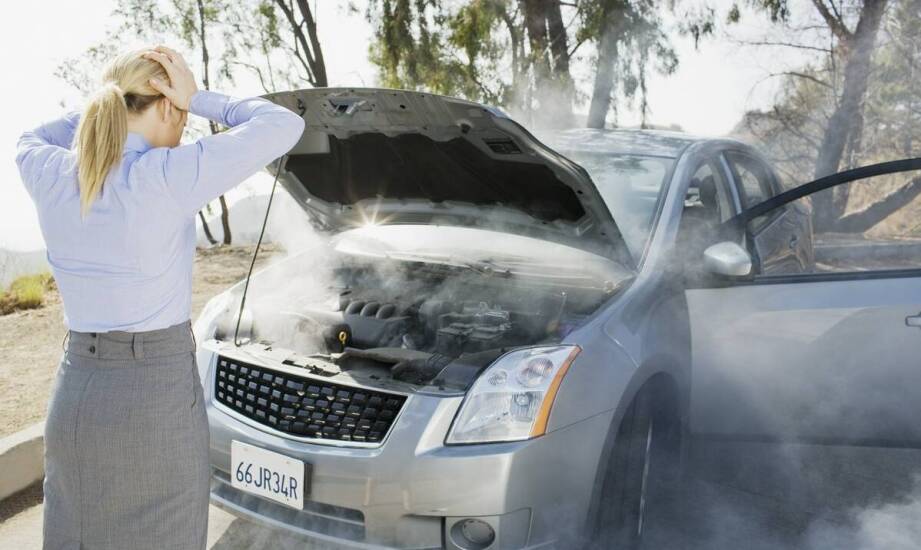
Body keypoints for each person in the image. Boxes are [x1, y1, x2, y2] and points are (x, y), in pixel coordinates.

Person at [15, 45, 305, 550]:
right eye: (183, 116)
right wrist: (201, 96)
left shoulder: (51, 173)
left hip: (77, 392)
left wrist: (105, 101)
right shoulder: (165, 176)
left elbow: (28, 137)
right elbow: (282, 125)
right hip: (155, 395)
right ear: (168, 106)